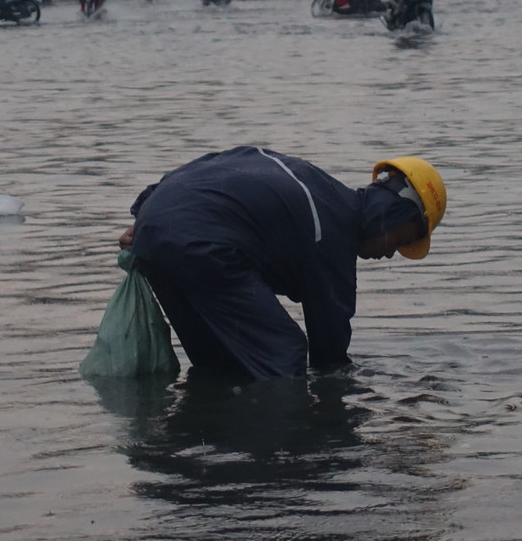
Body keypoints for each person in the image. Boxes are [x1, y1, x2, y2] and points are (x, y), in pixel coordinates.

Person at [116, 148, 446, 380]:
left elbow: (217, 163)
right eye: (406, 239)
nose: (392, 253)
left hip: (155, 233)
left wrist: (147, 212)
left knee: (221, 363)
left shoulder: (310, 180)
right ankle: (276, 457)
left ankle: (205, 448)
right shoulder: (332, 233)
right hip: (200, 245)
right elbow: (329, 355)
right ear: (400, 212)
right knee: (283, 353)